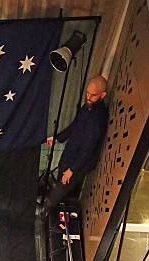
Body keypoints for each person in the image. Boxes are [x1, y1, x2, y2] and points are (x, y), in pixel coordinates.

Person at [42, 75, 108, 211]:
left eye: (93, 95)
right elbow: (75, 125)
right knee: (61, 182)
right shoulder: (87, 106)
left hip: (79, 162)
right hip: (71, 152)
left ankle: (45, 212)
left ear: (103, 95)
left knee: (60, 189)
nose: (88, 97)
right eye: (87, 93)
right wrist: (57, 138)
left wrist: (72, 169)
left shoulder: (98, 118)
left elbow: (88, 148)